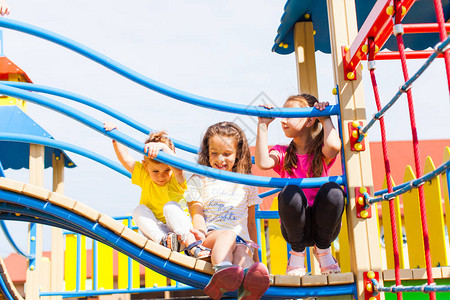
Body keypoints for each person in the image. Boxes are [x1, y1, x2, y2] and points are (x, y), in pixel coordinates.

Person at [255, 94, 345, 277]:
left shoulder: (321, 151)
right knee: (290, 192)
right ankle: (296, 255)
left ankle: (324, 252)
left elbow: (334, 146)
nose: (283, 120)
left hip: (325, 228)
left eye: (290, 115)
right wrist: (263, 125)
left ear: (310, 120)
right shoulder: (283, 153)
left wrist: (325, 117)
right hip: (295, 230)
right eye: (283, 115)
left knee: (334, 190)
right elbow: (263, 162)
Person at [185, 121, 270, 300]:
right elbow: (197, 214)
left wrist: (256, 258)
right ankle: (222, 272)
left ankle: (250, 287)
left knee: (243, 253)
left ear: (238, 153)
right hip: (211, 238)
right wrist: (199, 237)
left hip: (240, 240)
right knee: (228, 236)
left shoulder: (247, 181)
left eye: (227, 154)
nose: (220, 159)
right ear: (207, 152)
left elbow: (250, 223)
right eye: (214, 153)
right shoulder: (200, 179)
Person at [103, 122, 209, 258]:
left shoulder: (176, 178)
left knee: (170, 207)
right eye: (155, 171)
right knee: (138, 210)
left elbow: (178, 169)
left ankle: (191, 244)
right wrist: (115, 136)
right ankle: (163, 242)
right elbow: (125, 158)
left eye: (166, 170)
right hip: (159, 231)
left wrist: (163, 147)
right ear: (146, 167)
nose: (161, 176)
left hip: (179, 231)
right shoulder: (144, 175)